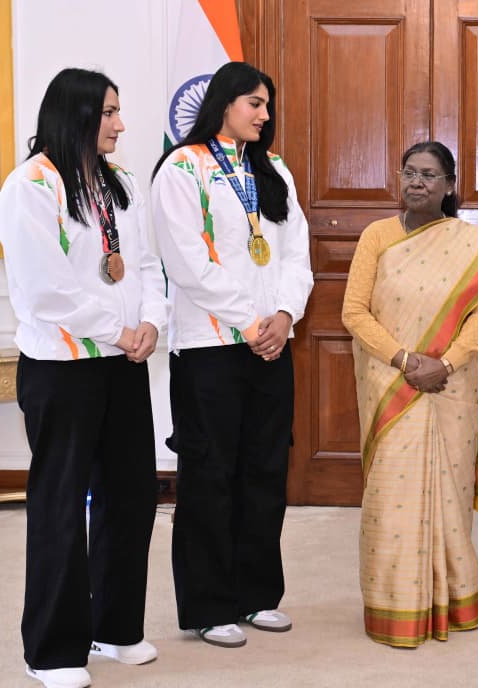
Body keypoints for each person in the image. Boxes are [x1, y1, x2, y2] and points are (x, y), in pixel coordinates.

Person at [0, 68, 166, 688]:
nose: (121, 124)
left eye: (119, 112)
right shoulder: (30, 187)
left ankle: (115, 629)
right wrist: (117, 329)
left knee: (129, 495)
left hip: (122, 365)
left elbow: (145, 264)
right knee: (61, 505)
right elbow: (45, 291)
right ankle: (53, 651)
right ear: (77, 115)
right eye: (110, 113)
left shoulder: (117, 184)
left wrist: (150, 320)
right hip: (62, 368)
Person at [151, 61, 313, 649]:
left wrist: (285, 316)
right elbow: (188, 261)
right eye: (254, 103)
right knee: (211, 474)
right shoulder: (182, 167)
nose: (265, 115)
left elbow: (296, 253)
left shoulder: (274, 171)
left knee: (265, 470)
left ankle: (256, 595)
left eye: (267, 105)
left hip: (271, 344)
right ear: (224, 104)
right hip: (211, 347)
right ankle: (208, 605)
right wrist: (250, 322)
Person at [342, 141, 478, 648]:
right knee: (390, 497)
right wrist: (405, 360)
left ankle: (456, 598)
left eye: (429, 175)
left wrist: (443, 364)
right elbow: (354, 312)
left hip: (448, 385)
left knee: (448, 494)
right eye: (409, 173)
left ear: (450, 185)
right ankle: (393, 607)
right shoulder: (377, 235)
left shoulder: (473, 245)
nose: (417, 183)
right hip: (389, 383)